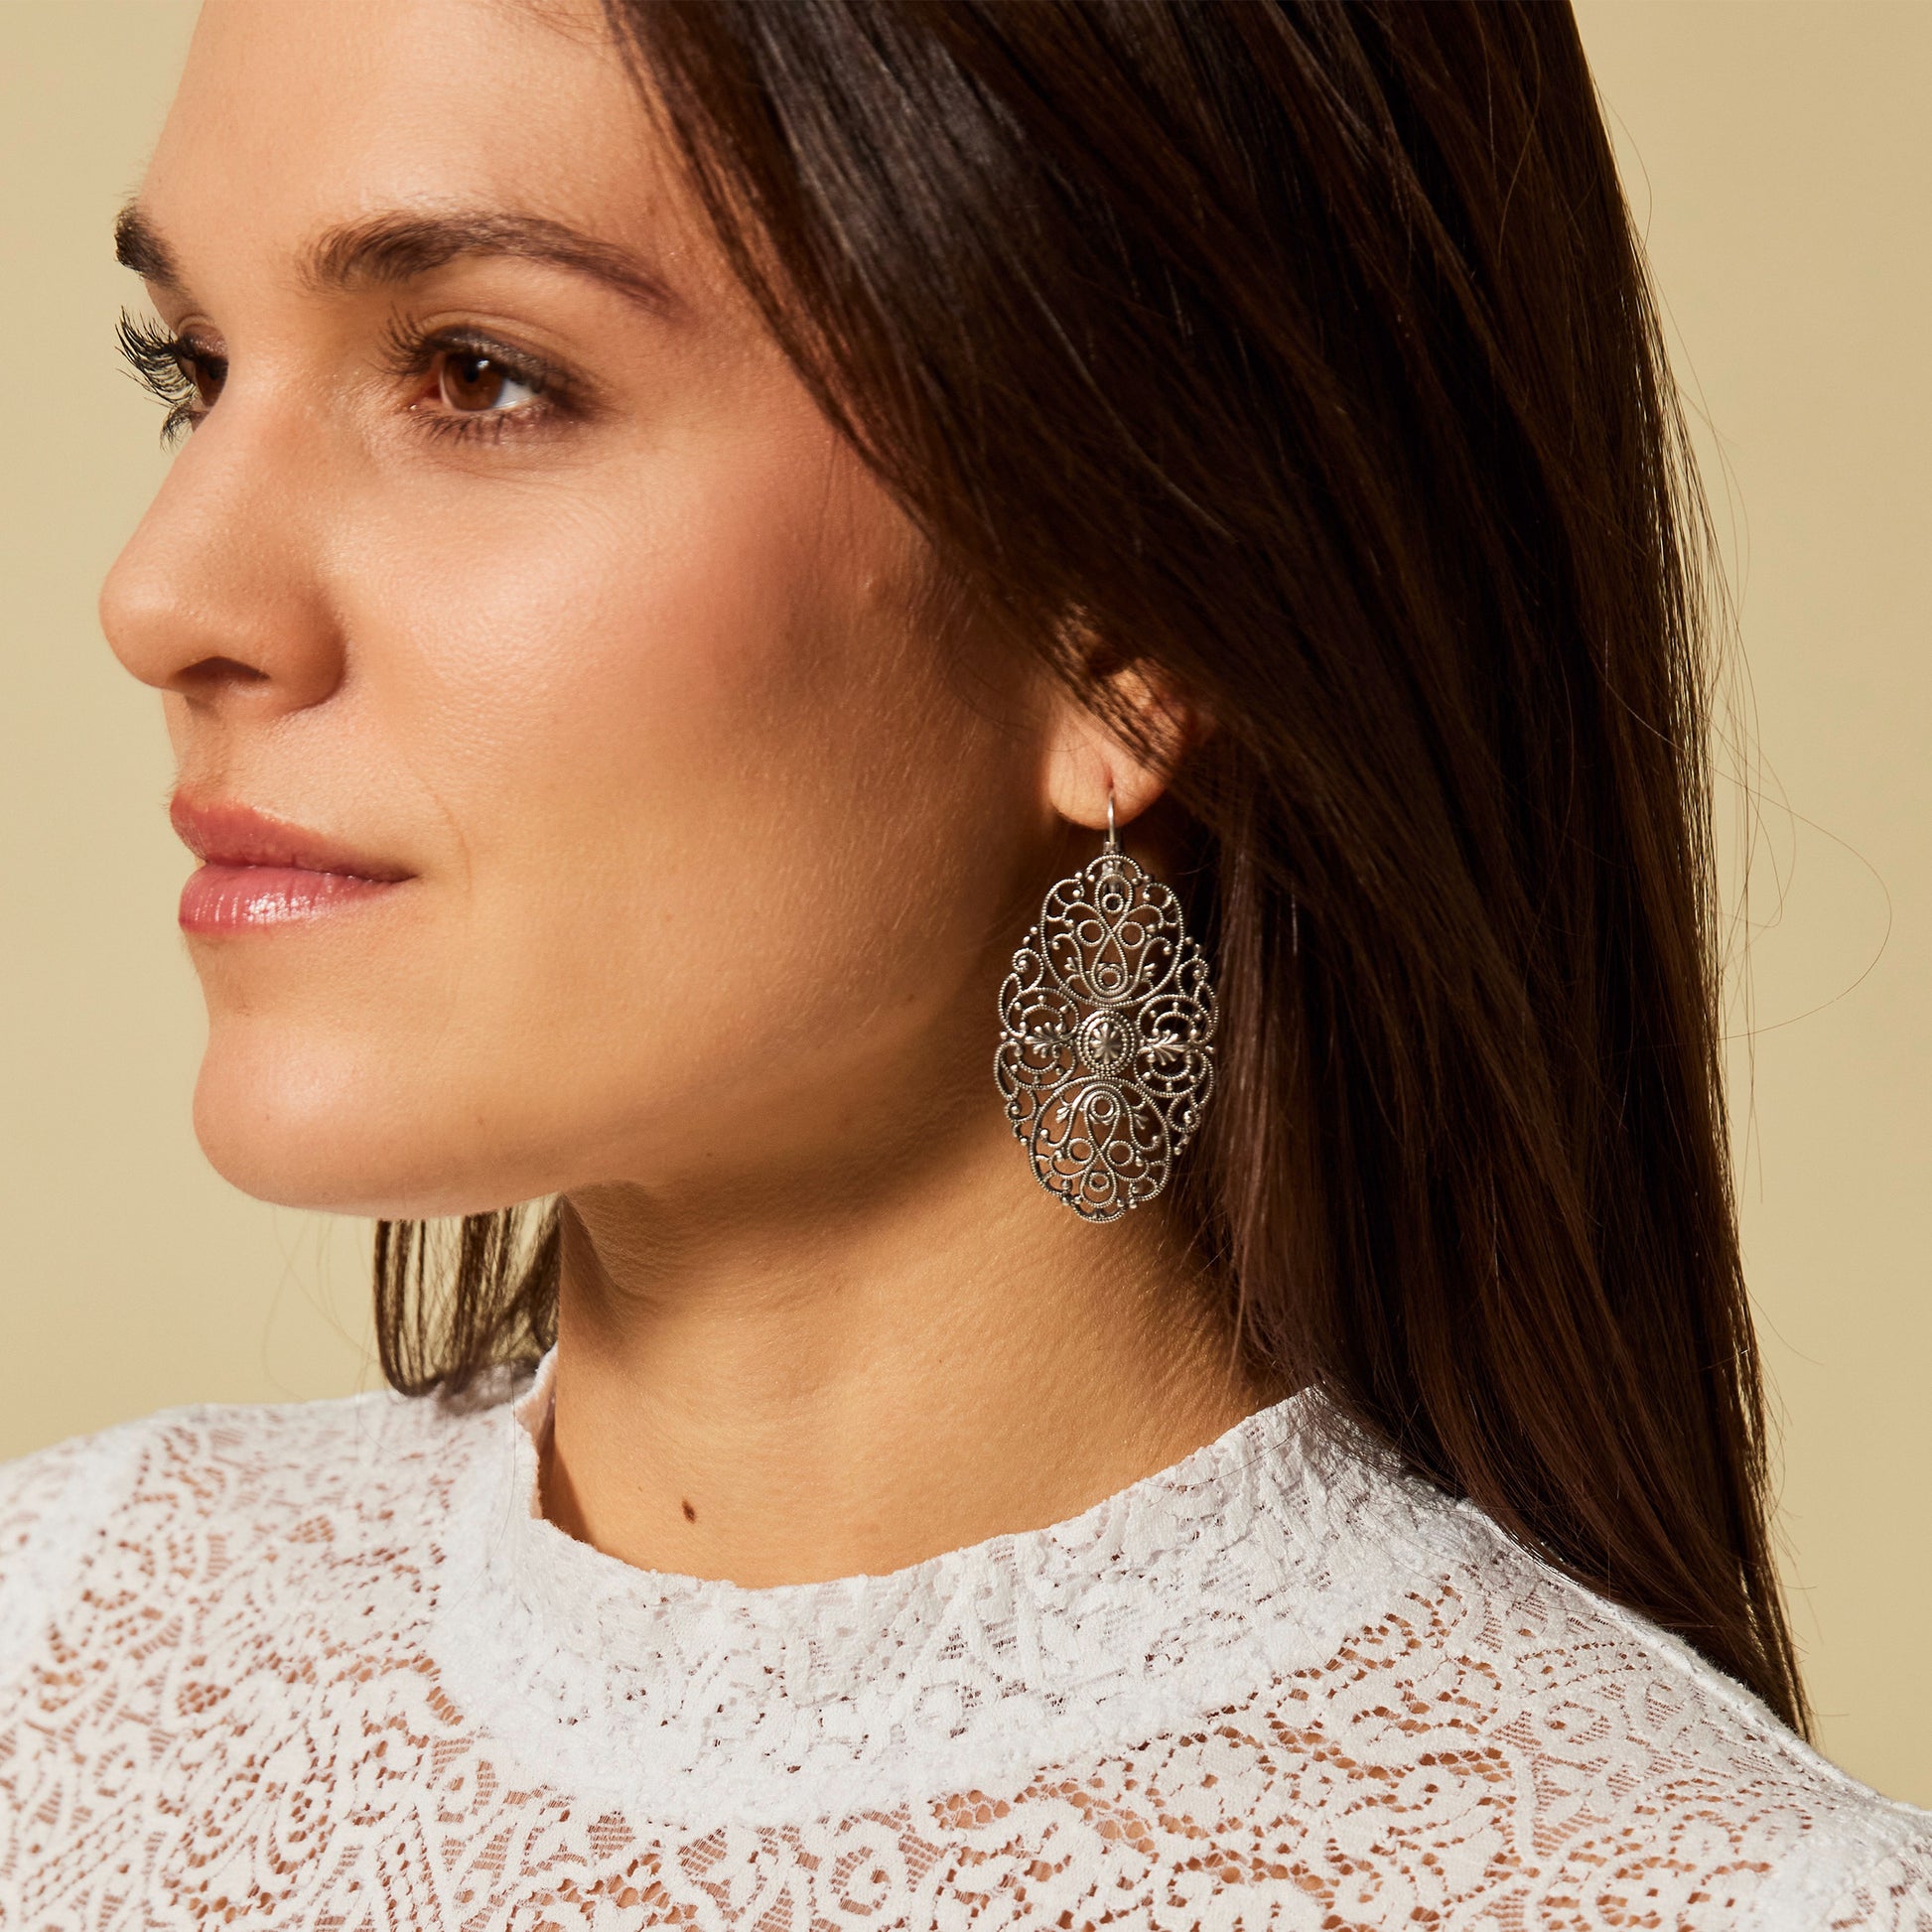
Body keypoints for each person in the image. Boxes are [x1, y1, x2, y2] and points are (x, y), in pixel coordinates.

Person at [1, 0, 1925, 1922]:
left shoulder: (1709, 1896)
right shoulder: (54, 1661)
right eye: (196, 368)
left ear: (1131, 631)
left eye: (479, 375)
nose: (162, 595)